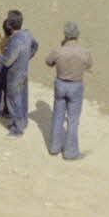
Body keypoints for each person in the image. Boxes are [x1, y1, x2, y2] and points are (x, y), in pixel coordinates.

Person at [45, 21, 93, 161]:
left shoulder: (58, 50)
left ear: (65, 35)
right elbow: (89, 65)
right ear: (77, 35)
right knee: (73, 120)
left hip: (60, 84)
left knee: (57, 116)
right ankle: (70, 152)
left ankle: (54, 147)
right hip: (76, 86)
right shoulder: (85, 52)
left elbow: (48, 62)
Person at [0, 9, 37, 138]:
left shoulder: (15, 41)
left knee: (13, 100)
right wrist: (27, 57)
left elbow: (7, 62)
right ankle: (23, 122)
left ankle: (17, 129)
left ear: (10, 25)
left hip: (15, 75)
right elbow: (35, 46)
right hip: (23, 72)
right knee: (23, 98)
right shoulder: (27, 35)